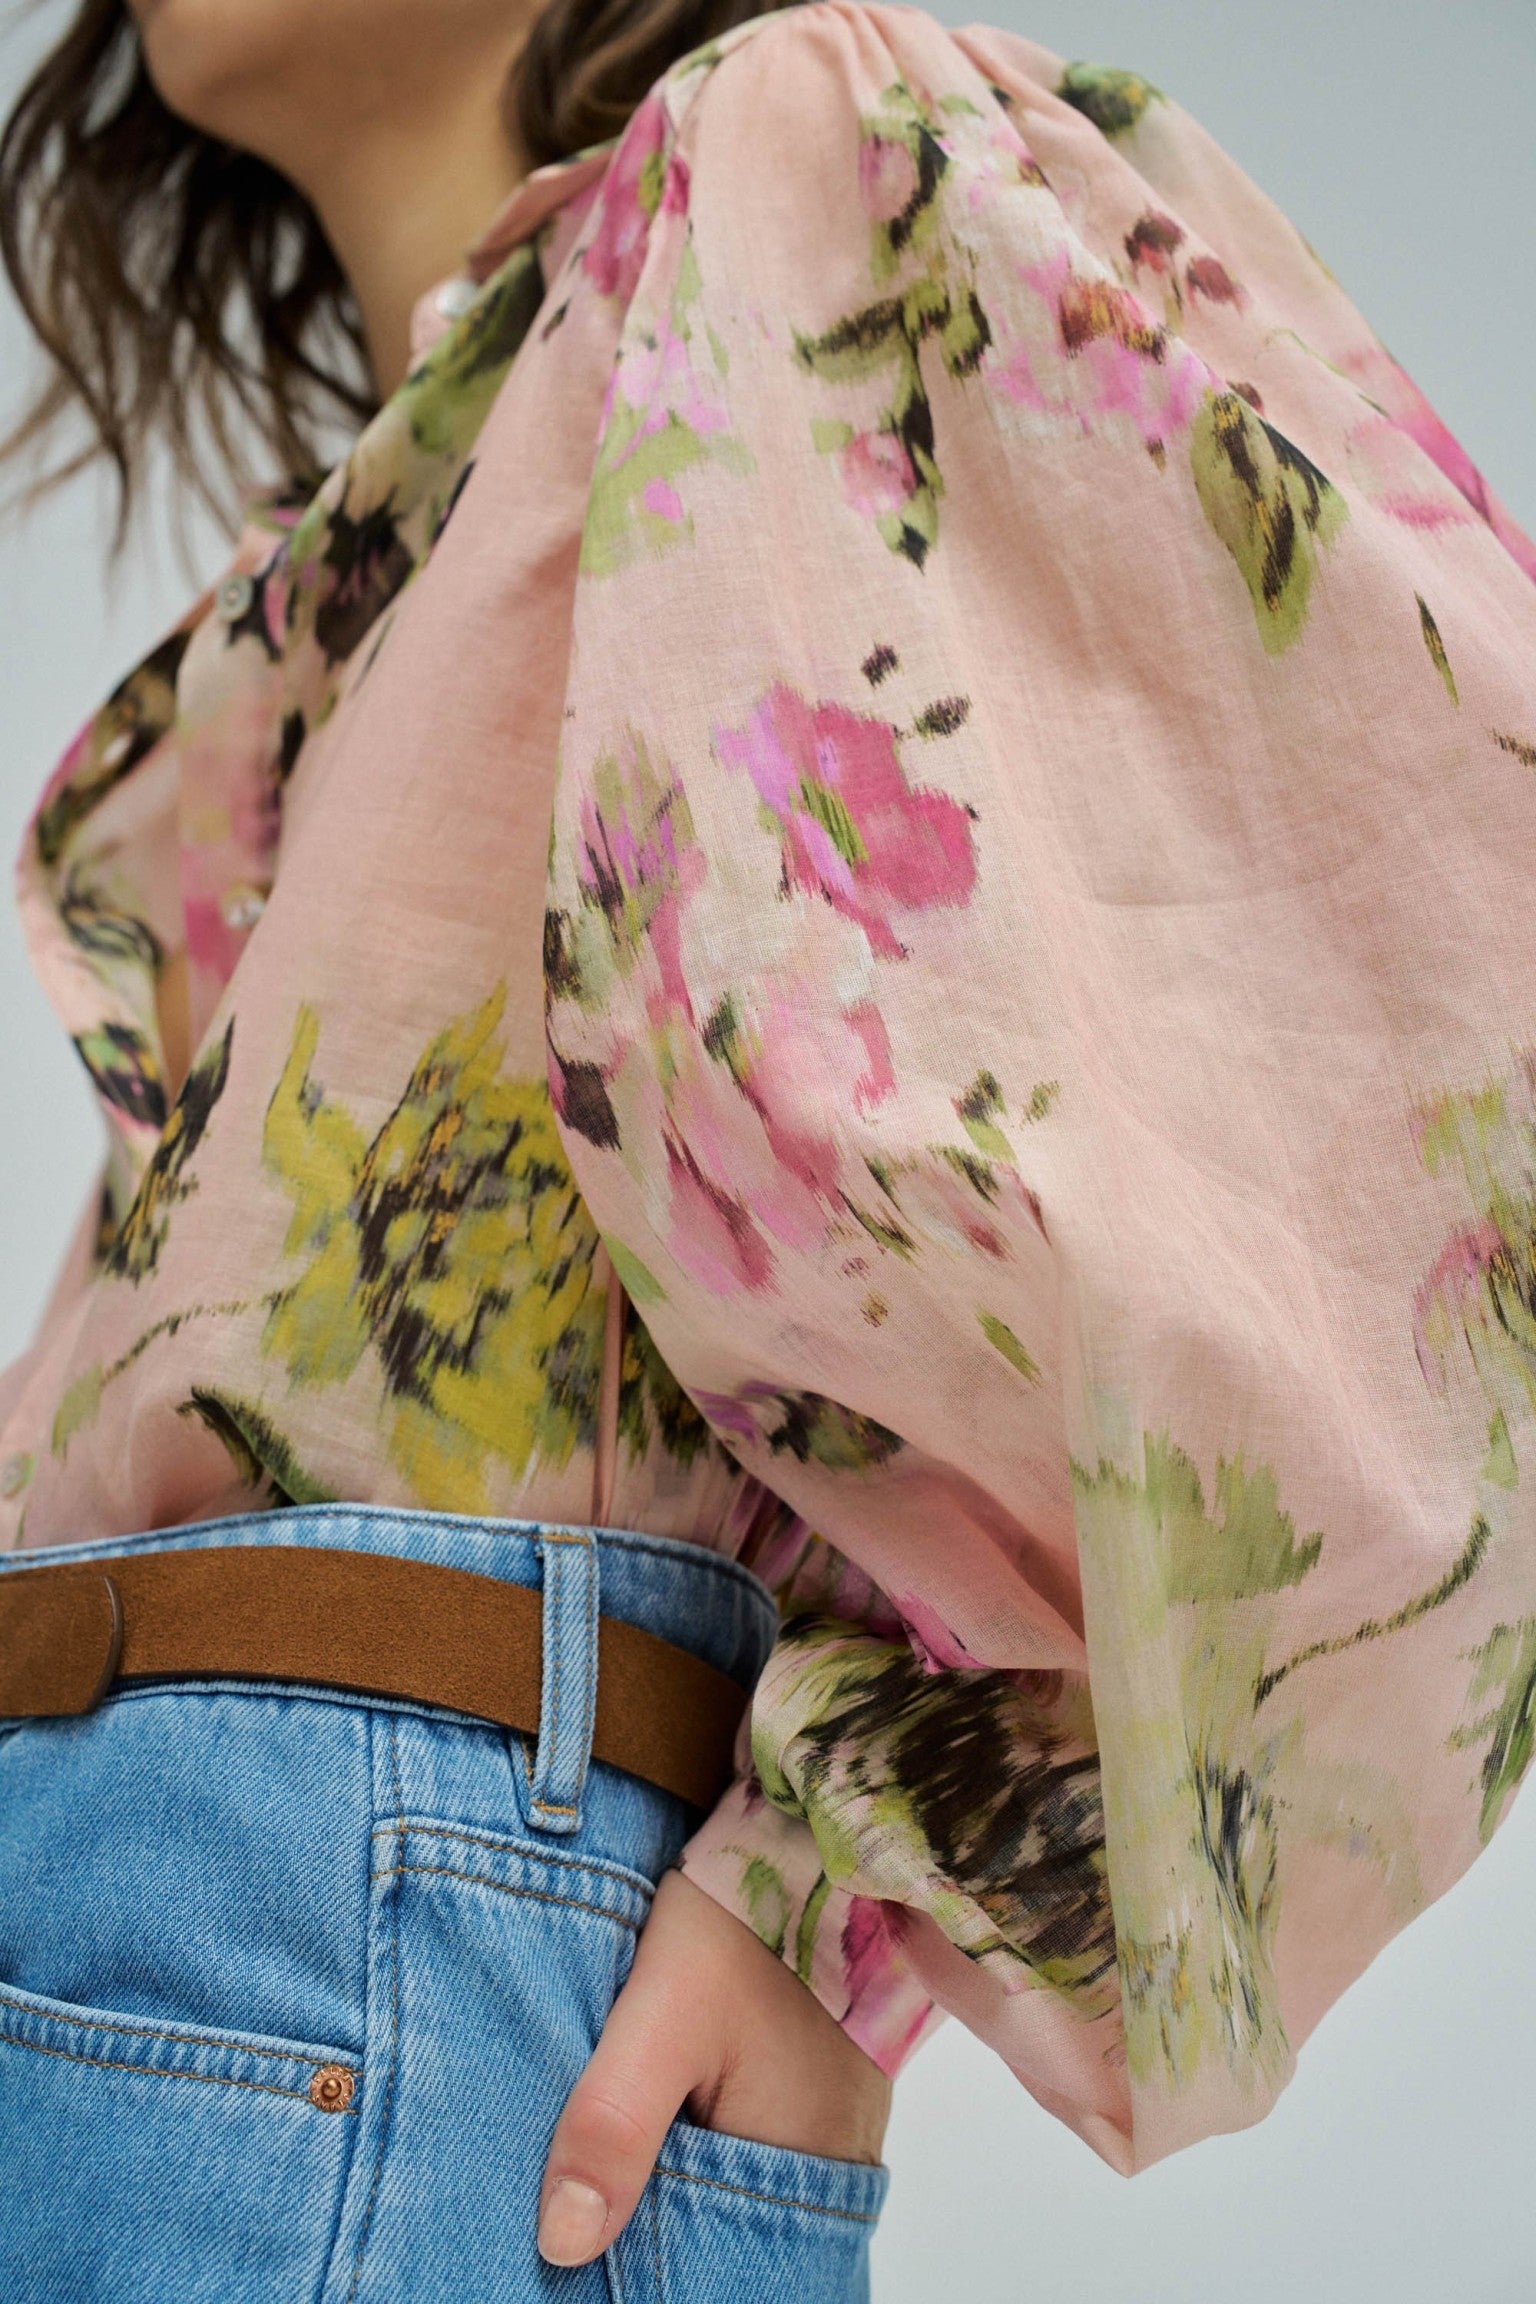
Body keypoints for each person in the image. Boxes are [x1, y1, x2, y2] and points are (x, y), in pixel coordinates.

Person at [1, 0, 1534, 2294]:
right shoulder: (409, 509)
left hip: (380, 1933)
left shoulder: (808, 138)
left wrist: (856, 1896)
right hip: (155, 1904)